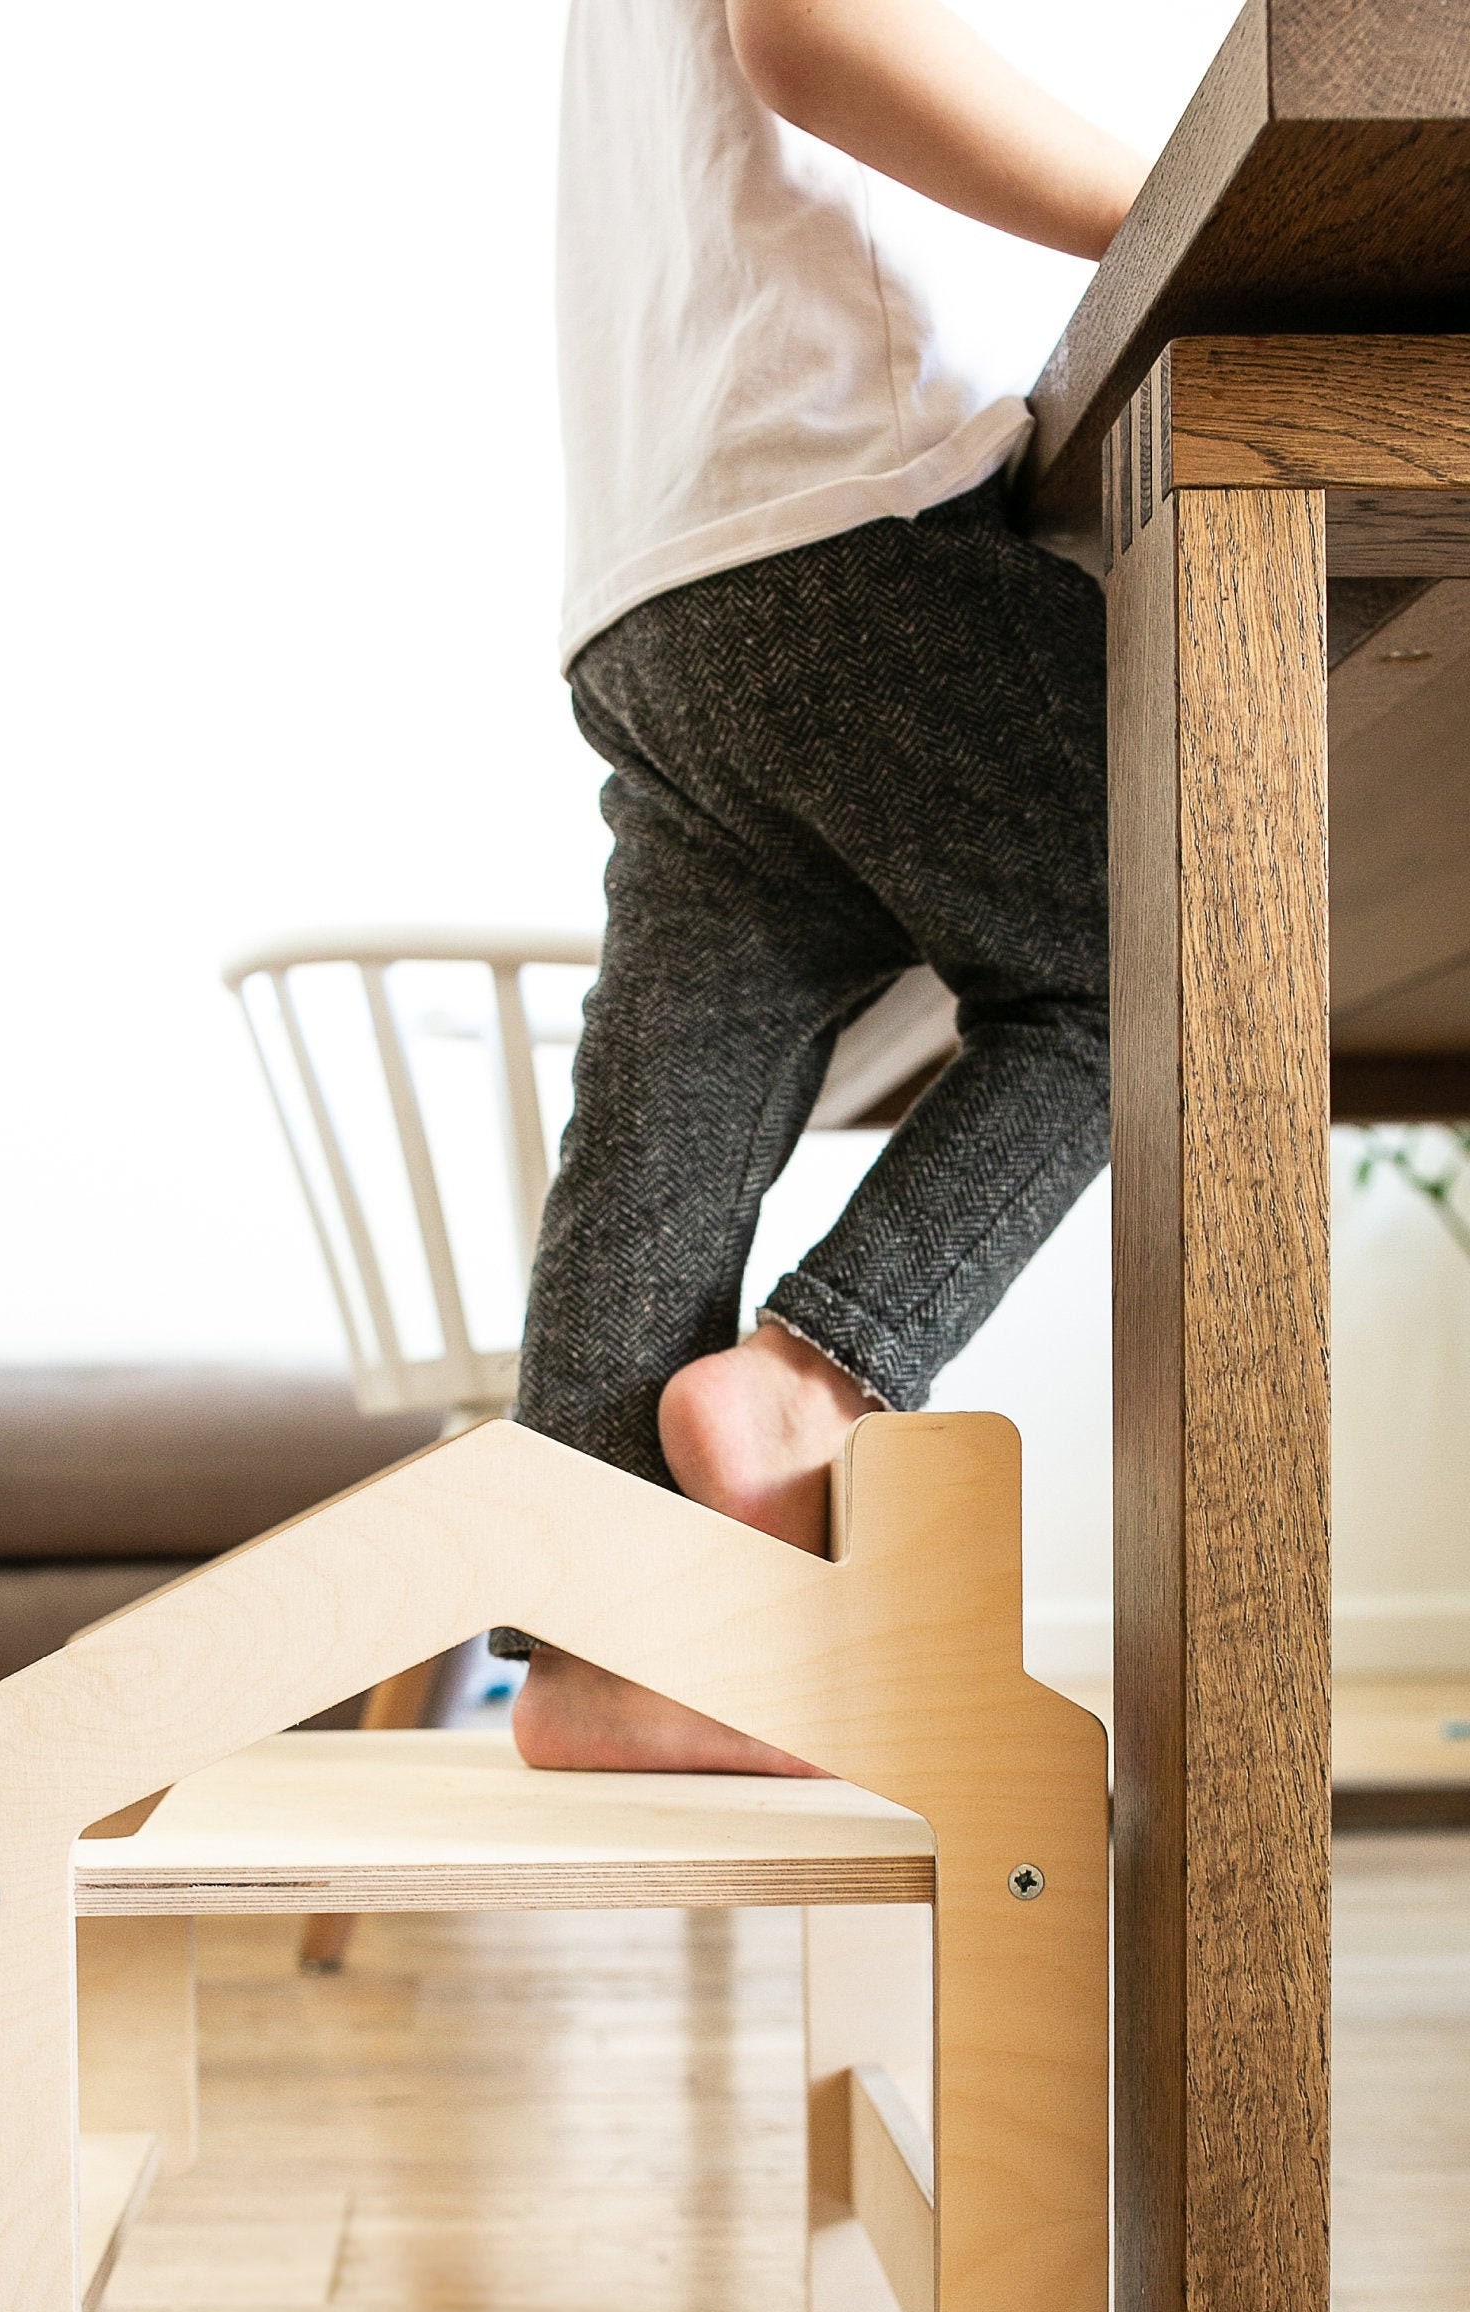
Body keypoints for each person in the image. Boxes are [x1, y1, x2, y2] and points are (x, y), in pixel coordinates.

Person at [501, 0, 1175, 1774]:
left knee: (674, 1095)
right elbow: (816, 33)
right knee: (1179, 935)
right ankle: (811, 1385)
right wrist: (1183, 220)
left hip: (660, 561)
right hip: (838, 495)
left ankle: (598, 1656)